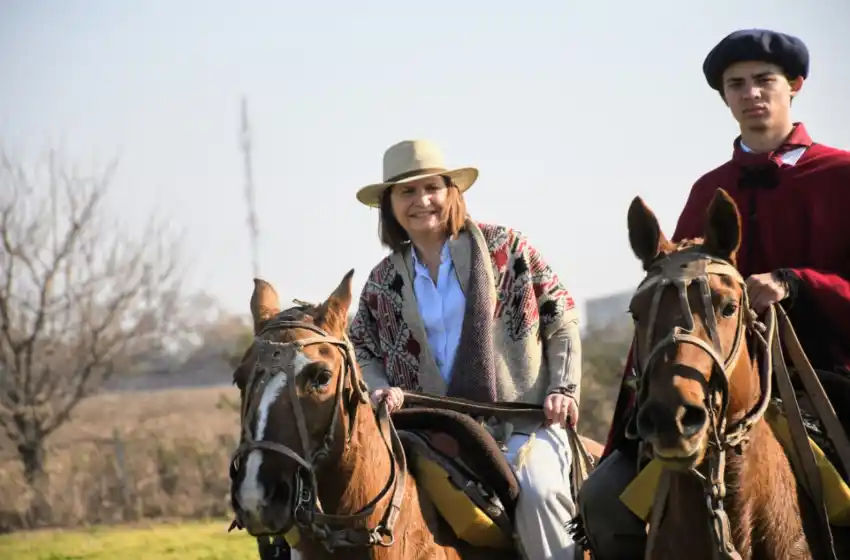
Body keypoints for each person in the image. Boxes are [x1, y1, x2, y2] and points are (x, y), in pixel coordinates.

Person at [575, 28, 850, 559]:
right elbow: (669, 297)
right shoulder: (708, 189)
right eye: (737, 85)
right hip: (713, 383)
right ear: (724, 98)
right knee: (603, 499)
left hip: (826, 377)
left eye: (764, 81)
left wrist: (798, 284)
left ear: (794, 85)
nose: (751, 94)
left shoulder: (842, 176)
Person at [348, 138, 584, 559]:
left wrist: (563, 387)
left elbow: (561, 316)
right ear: (390, 205)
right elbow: (361, 349)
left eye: (431, 187)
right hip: (425, 431)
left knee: (539, 493)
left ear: (451, 192)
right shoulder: (381, 281)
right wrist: (380, 387)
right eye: (406, 191)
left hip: (522, 424)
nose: (422, 200)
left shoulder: (508, 248)